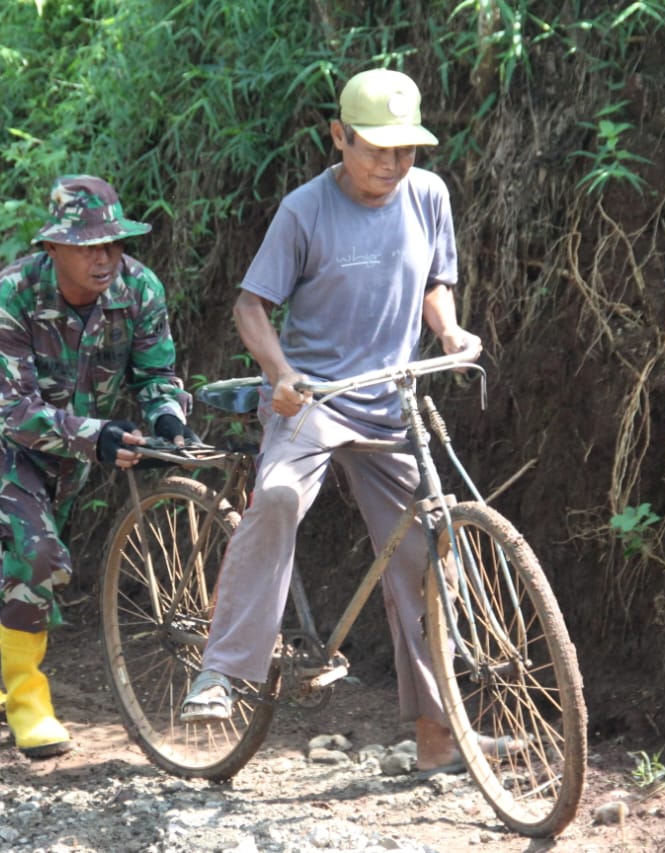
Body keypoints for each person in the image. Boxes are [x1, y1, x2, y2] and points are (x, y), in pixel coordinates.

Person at [179, 68, 484, 771]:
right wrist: (281, 374)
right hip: (311, 398)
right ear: (338, 136)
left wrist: (449, 332)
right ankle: (222, 670)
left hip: (388, 397)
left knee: (423, 553)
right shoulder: (304, 210)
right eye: (375, 148)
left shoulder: (429, 196)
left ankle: (438, 736)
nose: (391, 164)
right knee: (280, 494)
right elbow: (250, 306)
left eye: (405, 150)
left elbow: (436, 284)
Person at [0, 175, 197, 758]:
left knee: (19, 550)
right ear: (53, 248)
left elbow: (157, 375)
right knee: (40, 553)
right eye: (87, 247)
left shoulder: (141, 289)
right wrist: (97, 437)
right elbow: (15, 413)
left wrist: (167, 420)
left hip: (73, 439)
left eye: (112, 244)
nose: (103, 258)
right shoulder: (12, 296)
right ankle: (27, 702)